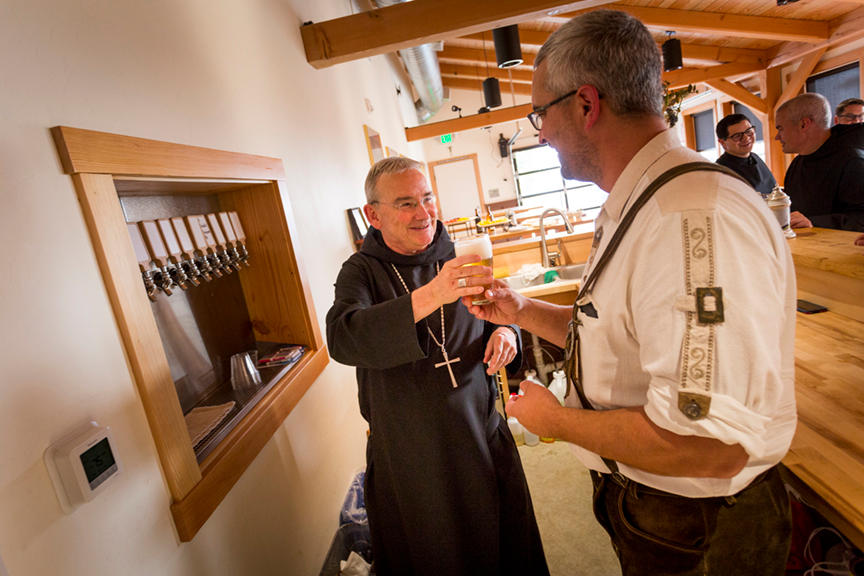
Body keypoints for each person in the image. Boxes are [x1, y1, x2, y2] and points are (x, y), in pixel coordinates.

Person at [465, 10, 796, 576]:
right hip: (658, 508)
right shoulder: (638, 198)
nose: (539, 133)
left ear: (586, 105)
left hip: (698, 522)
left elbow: (707, 443)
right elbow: (613, 326)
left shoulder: (686, 218)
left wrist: (556, 421)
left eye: (540, 113)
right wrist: (521, 310)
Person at [325, 157, 548, 576]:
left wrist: (506, 335)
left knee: (505, 549)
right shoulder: (360, 272)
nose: (424, 213)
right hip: (411, 455)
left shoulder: (460, 255)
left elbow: (499, 312)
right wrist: (433, 294)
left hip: (478, 432)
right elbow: (342, 338)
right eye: (406, 203)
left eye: (427, 198)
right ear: (373, 215)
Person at [775, 92, 864, 231]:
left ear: (804, 124)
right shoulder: (796, 164)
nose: (777, 137)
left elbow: (860, 218)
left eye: (780, 128)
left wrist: (813, 222)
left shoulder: (853, 162)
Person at [714, 113, 777, 196]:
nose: (746, 138)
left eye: (748, 131)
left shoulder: (755, 157)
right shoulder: (721, 171)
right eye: (737, 136)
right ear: (722, 142)